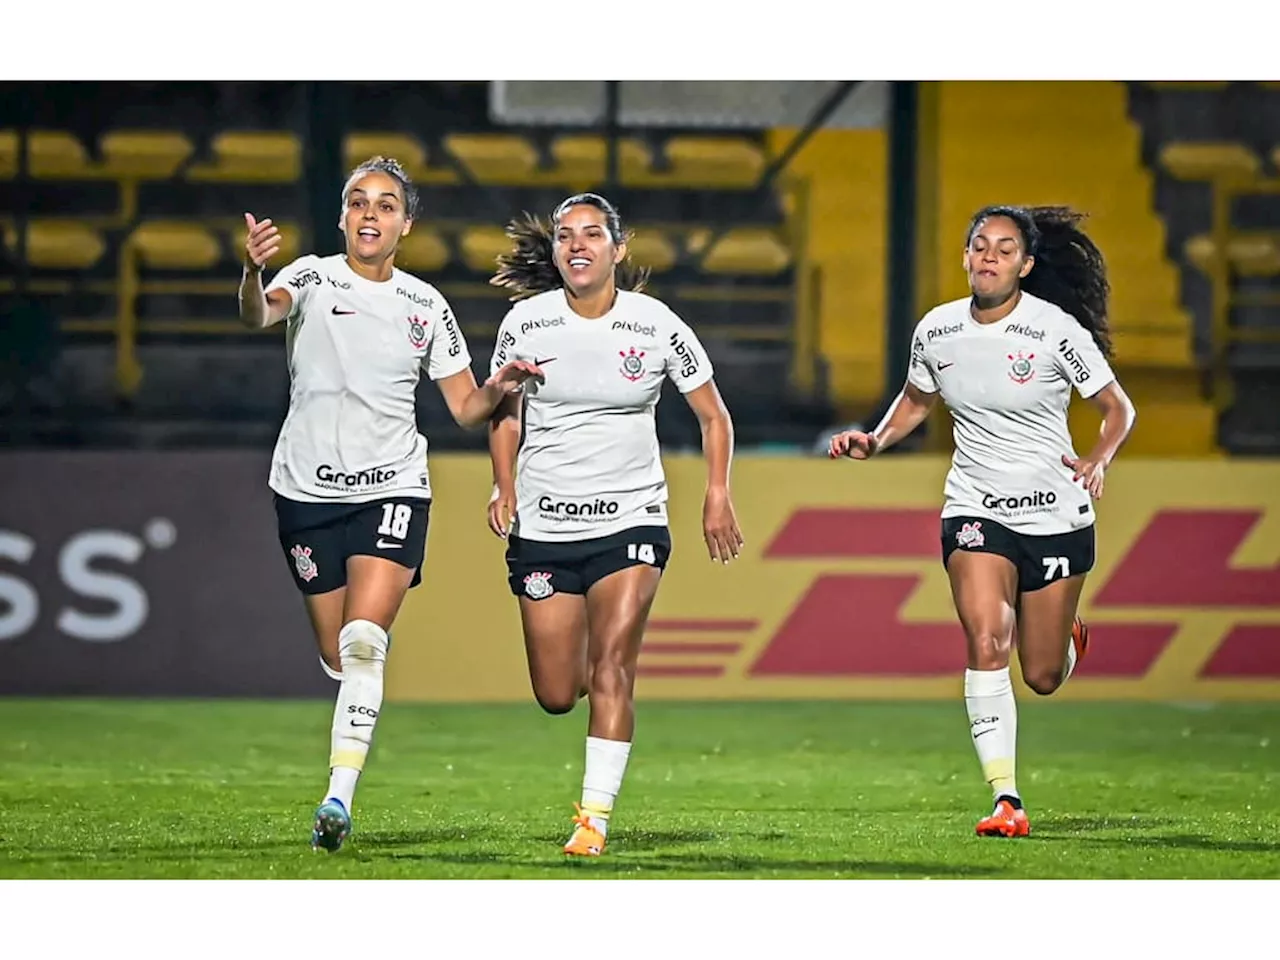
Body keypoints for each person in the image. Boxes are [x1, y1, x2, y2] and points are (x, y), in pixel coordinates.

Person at [238, 156, 542, 853]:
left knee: (363, 640)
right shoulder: (311, 277)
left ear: (406, 224)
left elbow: (467, 408)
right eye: (357, 202)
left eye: (384, 205)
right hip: (305, 492)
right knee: (337, 654)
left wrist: (502, 384)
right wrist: (253, 272)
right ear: (343, 215)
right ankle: (355, 686)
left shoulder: (425, 305)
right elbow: (259, 314)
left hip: (392, 487)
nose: (369, 214)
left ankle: (337, 797)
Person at [829, 205, 1137, 838]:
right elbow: (917, 398)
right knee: (987, 638)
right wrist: (876, 440)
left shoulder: (1054, 331)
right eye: (979, 246)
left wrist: (1099, 459)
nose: (989, 256)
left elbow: (1116, 408)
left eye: (1004, 248)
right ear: (966, 257)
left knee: (1042, 675)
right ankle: (1007, 799)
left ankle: (1065, 635)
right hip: (976, 508)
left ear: (1025, 265)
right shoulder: (937, 331)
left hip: (1056, 513)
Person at [485, 193, 744, 857]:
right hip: (545, 525)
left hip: (631, 520)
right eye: (566, 235)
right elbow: (505, 413)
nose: (578, 245)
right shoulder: (524, 322)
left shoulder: (656, 325)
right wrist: (503, 482)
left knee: (613, 667)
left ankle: (593, 819)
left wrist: (717, 493)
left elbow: (713, 415)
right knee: (555, 691)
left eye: (593, 234)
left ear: (618, 250)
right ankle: (583, 699)